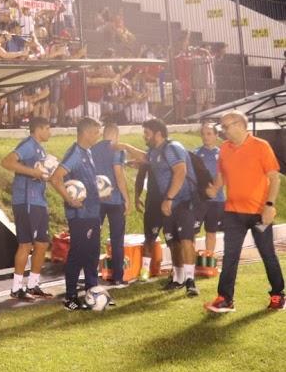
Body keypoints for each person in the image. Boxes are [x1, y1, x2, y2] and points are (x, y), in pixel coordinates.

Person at [205, 111, 283, 313]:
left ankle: (278, 295)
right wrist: (214, 188)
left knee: (268, 254)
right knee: (230, 256)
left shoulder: (261, 146)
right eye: (221, 127)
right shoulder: (224, 149)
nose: (222, 131)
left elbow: (274, 178)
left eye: (225, 126)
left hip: (259, 212)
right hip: (232, 213)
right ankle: (225, 299)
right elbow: (222, 175)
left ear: (239, 124)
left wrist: (269, 205)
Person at [121, 118, 200, 296]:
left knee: (186, 239)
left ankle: (190, 281)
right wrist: (126, 147)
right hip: (169, 203)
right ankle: (178, 279)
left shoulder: (173, 148)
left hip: (184, 201)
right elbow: (143, 158)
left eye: (147, 133)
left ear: (158, 133)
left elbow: (181, 172)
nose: (144, 136)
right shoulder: (155, 151)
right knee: (173, 242)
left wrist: (169, 198)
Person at [50, 117, 104, 310]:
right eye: (97, 132)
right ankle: (70, 297)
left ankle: (92, 293)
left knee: (92, 254)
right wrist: (70, 199)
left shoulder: (87, 152)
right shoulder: (74, 153)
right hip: (79, 215)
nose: (99, 135)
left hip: (92, 212)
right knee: (78, 254)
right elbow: (55, 178)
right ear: (87, 133)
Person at [0, 117, 54, 301]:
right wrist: (34, 173)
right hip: (26, 201)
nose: (50, 132)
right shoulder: (29, 145)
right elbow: (7, 162)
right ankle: (16, 288)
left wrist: (44, 174)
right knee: (26, 244)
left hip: (39, 201)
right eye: (47, 128)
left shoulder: (40, 148)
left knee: (42, 243)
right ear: (38, 129)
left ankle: (33, 285)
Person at [93, 120, 131, 287]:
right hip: (115, 199)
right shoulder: (117, 148)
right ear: (116, 135)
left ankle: (91, 274)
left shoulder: (93, 149)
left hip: (97, 198)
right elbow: (118, 174)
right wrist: (126, 198)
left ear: (103, 134)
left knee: (94, 236)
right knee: (117, 238)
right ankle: (118, 277)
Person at [193, 120, 225, 264]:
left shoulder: (223, 154)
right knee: (192, 232)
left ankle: (209, 261)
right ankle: (190, 261)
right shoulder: (195, 154)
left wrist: (215, 190)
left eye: (209, 134)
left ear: (216, 135)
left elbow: (225, 175)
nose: (206, 137)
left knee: (211, 232)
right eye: (203, 134)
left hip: (217, 201)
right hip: (199, 200)